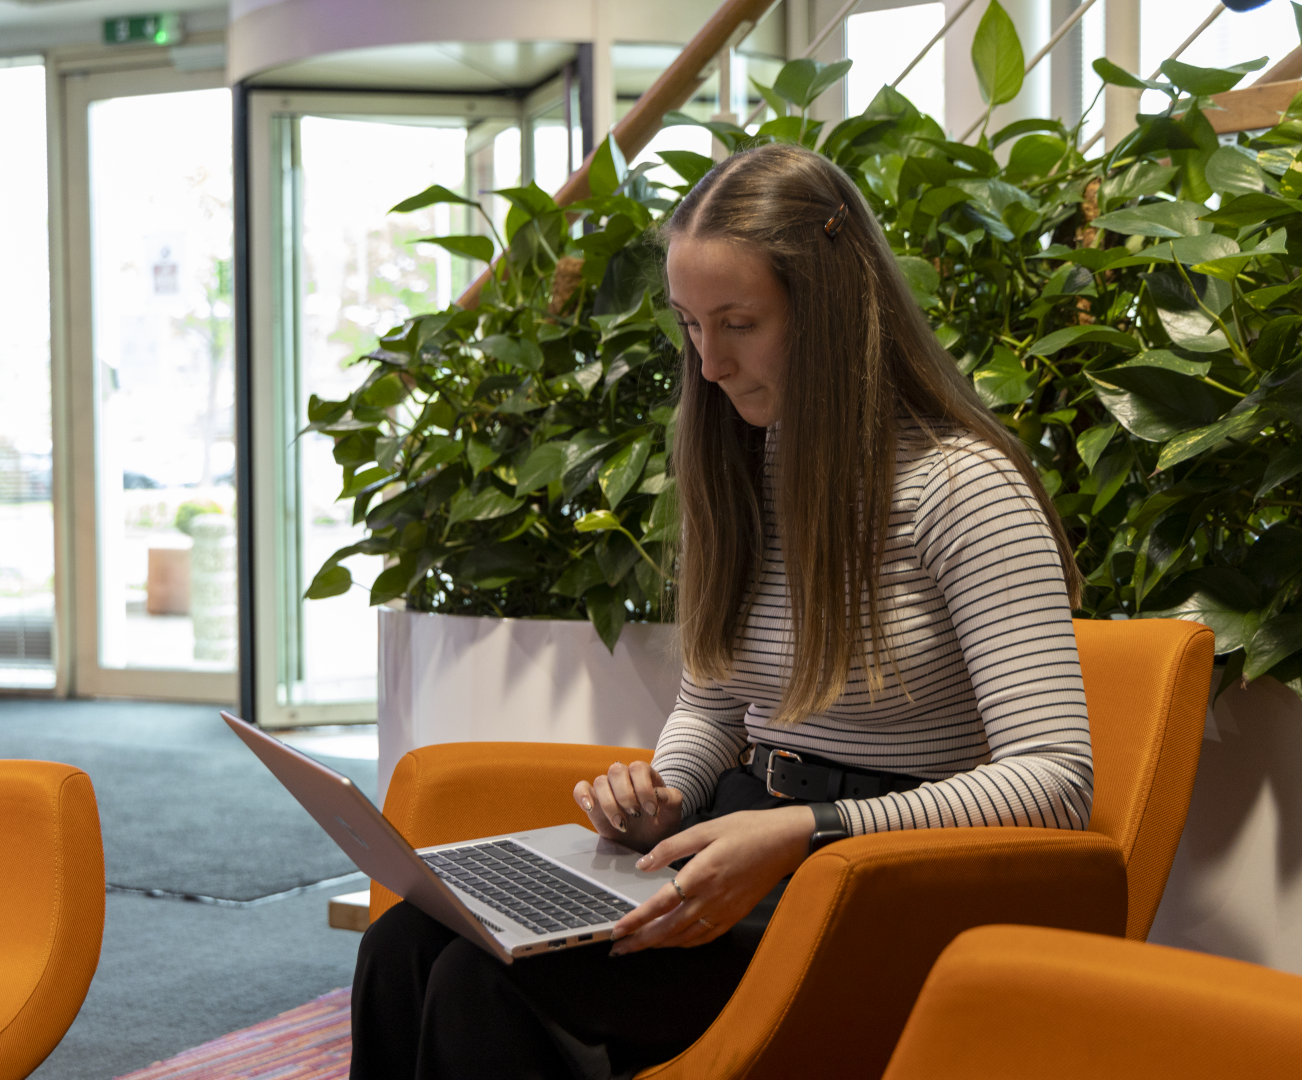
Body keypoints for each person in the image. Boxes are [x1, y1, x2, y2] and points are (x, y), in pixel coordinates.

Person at [349, 141, 1093, 1080]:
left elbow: (1058, 780)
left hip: (879, 889)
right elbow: (714, 706)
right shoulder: (749, 461)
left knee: (476, 983)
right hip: (743, 841)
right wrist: (664, 794)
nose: (708, 364)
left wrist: (803, 832)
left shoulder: (963, 489)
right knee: (406, 942)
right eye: (692, 325)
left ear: (829, 312)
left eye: (737, 322)